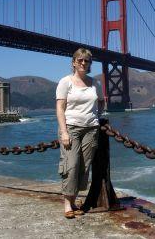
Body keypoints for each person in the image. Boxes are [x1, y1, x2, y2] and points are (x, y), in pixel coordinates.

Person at [55, 48, 105, 219]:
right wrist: (64, 132)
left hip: (91, 129)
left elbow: (101, 102)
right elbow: (60, 108)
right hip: (71, 128)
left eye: (87, 61)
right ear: (73, 62)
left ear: (90, 63)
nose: (83, 63)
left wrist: (97, 117)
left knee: (84, 167)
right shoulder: (65, 82)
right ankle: (67, 204)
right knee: (72, 165)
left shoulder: (94, 83)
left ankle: (74, 201)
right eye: (80, 60)